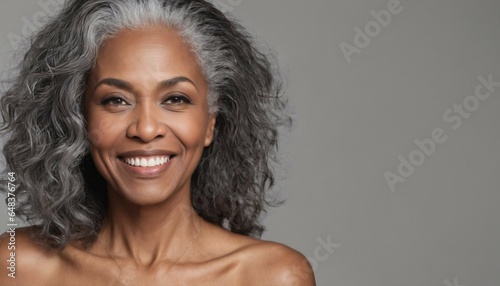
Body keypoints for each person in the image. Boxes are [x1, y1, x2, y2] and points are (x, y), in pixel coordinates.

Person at [0, 0, 315, 285]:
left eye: (176, 99)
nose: (146, 129)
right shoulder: (16, 267)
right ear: (79, 118)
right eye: (116, 100)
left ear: (210, 122)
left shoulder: (271, 277)